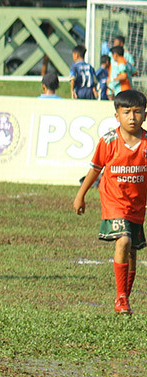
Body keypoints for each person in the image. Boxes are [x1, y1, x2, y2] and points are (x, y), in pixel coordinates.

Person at [73, 89, 147, 316]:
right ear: (117, 115)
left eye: (137, 112)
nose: (132, 117)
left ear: (145, 115)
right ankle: (121, 297)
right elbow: (95, 169)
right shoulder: (109, 141)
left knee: (132, 251)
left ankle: (124, 298)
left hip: (137, 204)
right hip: (114, 201)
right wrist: (81, 195)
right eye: (126, 112)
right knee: (123, 240)